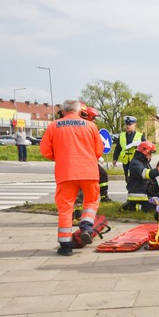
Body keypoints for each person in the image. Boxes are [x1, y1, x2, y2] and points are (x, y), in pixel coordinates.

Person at [39, 100, 104, 256]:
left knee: (66, 208)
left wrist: (61, 156)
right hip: (89, 171)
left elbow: (45, 151)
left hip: (66, 172)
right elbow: (98, 151)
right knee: (91, 200)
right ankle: (87, 227)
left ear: (63, 111)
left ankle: (66, 246)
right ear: (79, 111)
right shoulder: (91, 126)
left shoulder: (54, 126)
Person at [79, 106, 111, 202]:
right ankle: (85, 200)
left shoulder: (87, 127)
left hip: (89, 159)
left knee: (103, 174)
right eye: (93, 118)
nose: (95, 121)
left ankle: (104, 196)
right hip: (86, 160)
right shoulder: (88, 128)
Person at [121, 141, 159, 212]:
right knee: (152, 209)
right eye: (150, 153)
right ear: (144, 152)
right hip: (138, 197)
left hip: (144, 195)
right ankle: (131, 207)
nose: (151, 156)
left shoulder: (142, 162)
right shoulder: (135, 164)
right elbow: (145, 174)